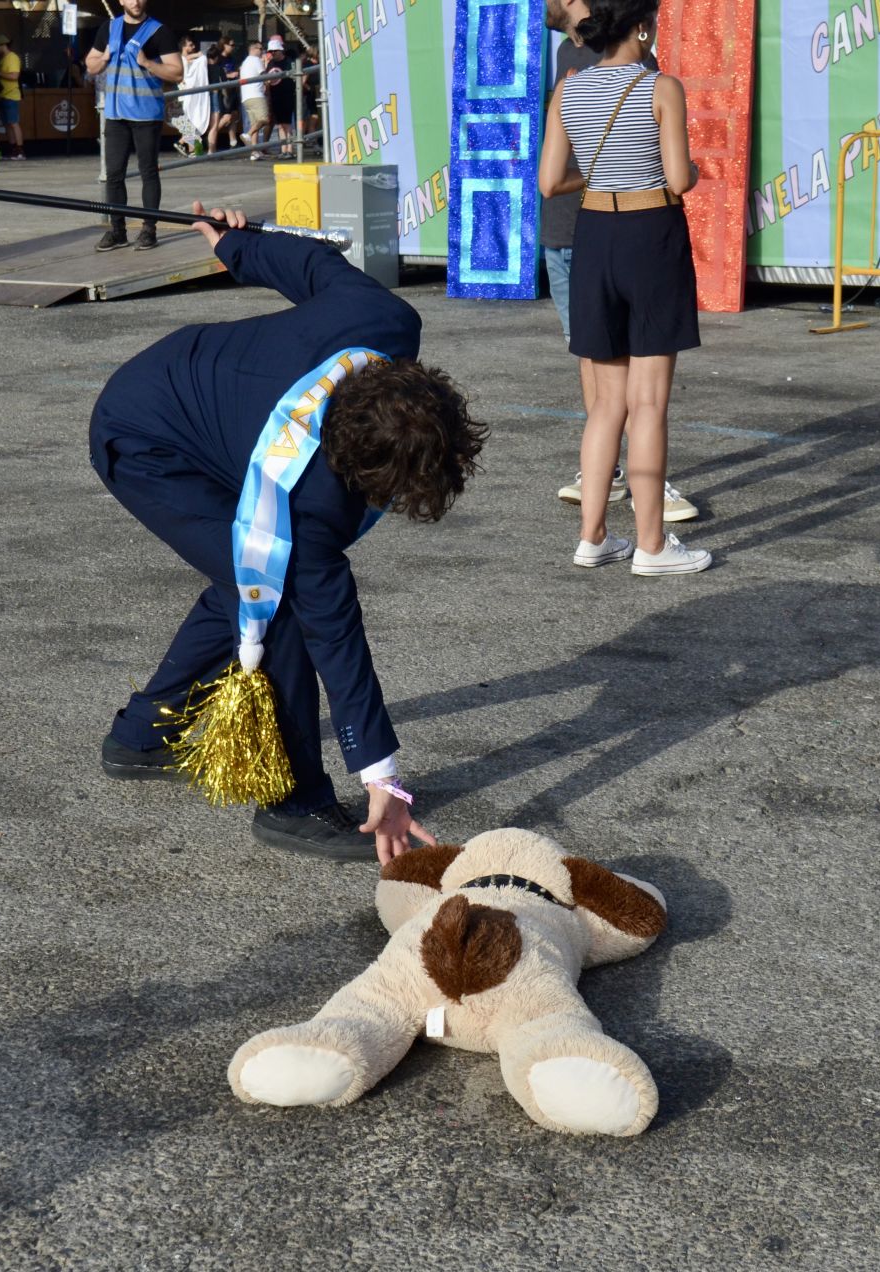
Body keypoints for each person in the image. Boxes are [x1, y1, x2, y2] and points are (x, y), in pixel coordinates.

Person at [90, 203, 485, 862]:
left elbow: (312, 262)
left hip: (201, 386)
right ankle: (293, 804)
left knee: (243, 575)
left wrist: (236, 244)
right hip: (147, 437)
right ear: (349, 466)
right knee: (280, 596)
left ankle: (143, 735)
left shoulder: (388, 323)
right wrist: (380, 772)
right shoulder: (308, 505)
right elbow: (336, 633)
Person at [538, 0, 708, 575]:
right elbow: (679, 178)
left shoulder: (570, 88)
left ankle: (593, 537)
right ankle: (652, 546)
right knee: (649, 403)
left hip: (593, 236)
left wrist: (602, 169)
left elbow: (548, 181)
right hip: (649, 234)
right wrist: (695, 170)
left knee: (606, 404)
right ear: (642, 25)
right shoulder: (662, 86)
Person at [85, 0, 182, 251]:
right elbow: (91, 65)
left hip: (146, 114)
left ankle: (149, 230)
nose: (135, 2)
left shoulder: (159, 31)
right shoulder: (109, 28)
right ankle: (118, 232)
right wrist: (104, 57)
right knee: (114, 174)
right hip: (116, 115)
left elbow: (177, 73)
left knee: (148, 171)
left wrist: (149, 63)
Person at [174, 32, 211, 156]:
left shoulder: (186, 60)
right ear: (184, 47)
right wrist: (198, 55)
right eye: (190, 45)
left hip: (186, 96)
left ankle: (192, 149)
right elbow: (185, 59)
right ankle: (183, 143)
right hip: (184, 97)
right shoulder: (181, 59)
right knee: (191, 123)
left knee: (191, 124)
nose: (193, 47)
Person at [0, 34, 25, 160]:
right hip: (3, 95)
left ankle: (20, 150)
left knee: (13, 123)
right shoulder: (3, 59)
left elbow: (14, 76)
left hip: (11, 95)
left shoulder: (12, 58)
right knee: (7, 124)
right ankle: (13, 149)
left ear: (2, 45)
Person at [238, 39, 268, 160]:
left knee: (255, 123)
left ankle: (254, 152)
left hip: (246, 97)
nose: (262, 51)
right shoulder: (256, 60)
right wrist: (266, 63)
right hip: (256, 95)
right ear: (253, 49)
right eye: (260, 49)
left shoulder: (245, 62)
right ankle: (248, 134)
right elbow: (264, 76)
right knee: (264, 120)